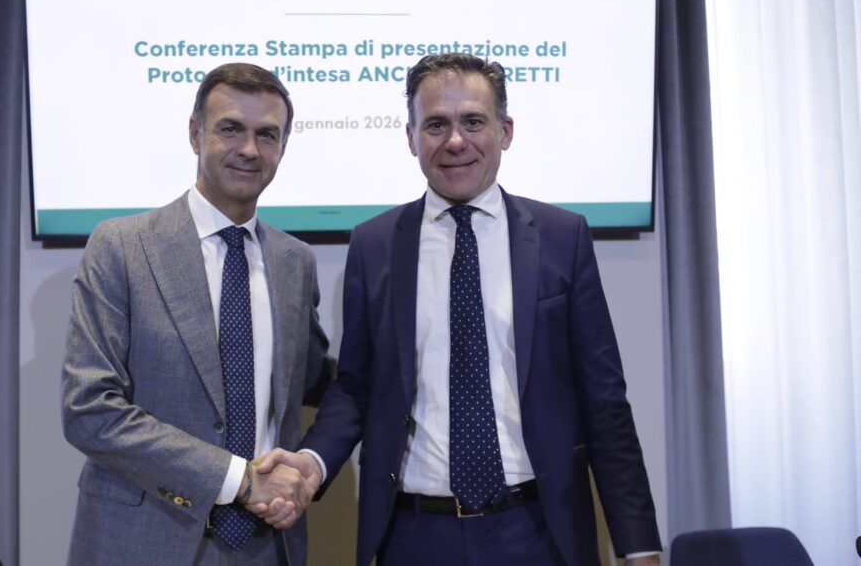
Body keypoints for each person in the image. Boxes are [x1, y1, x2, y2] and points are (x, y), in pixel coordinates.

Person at [256, 53, 662, 565]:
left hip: (538, 530)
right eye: (435, 125)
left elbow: (604, 403)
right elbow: (357, 388)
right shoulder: (374, 246)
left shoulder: (563, 238)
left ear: (505, 131)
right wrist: (313, 462)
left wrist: (640, 545)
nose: (454, 141)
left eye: (473, 121)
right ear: (411, 138)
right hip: (414, 535)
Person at [61, 62, 333, 566]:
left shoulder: (295, 262)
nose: (249, 149)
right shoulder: (121, 247)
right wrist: (239, 480)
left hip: (267, 544)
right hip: (144, 541)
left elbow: (314, 382)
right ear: (194, 133)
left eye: (266, 135)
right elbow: (90, 410)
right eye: (230, 128)